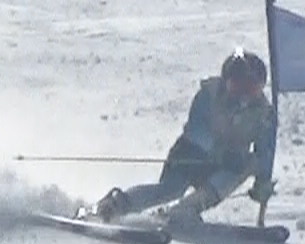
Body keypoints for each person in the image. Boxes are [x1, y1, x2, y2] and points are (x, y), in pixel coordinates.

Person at [83, 48, 279, 225]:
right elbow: (196, 129)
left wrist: (262, 182)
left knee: (246, 163)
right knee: (170, 190)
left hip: (224, 166)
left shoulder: (264, 114)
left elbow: (264, 153)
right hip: (191, 155)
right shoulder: (209, 94)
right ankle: (118, 204)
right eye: (238, 87)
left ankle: (187, 209)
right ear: (226, 81)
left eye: (252, 89)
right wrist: (219, 152)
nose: (244, 96)